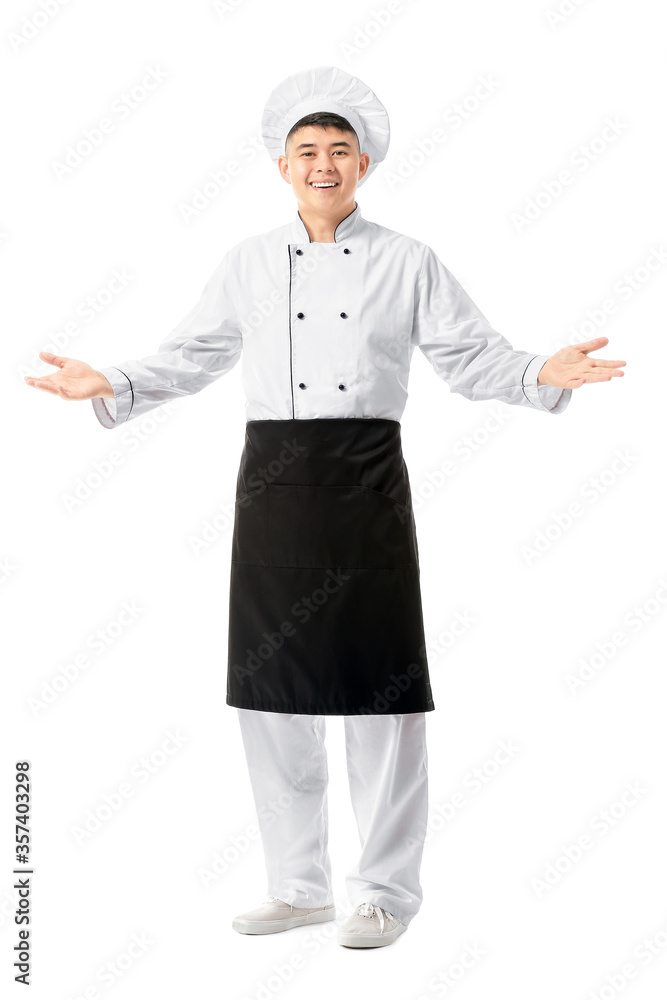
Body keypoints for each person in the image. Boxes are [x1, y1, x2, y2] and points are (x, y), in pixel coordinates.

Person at [24, 65, 626, 949]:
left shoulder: (407, 259)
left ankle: (382, 893)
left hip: (366, 481)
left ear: (364, 163)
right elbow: (193, 352)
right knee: (272, 694)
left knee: (381, 695)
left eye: (340, 150)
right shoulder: (245, 263)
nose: (323, 163)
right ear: (281, 165)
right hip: (271, 484)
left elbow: (470, 356)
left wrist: (539, 370)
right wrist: (109, 378)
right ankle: (297, 885)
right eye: (306, 150)